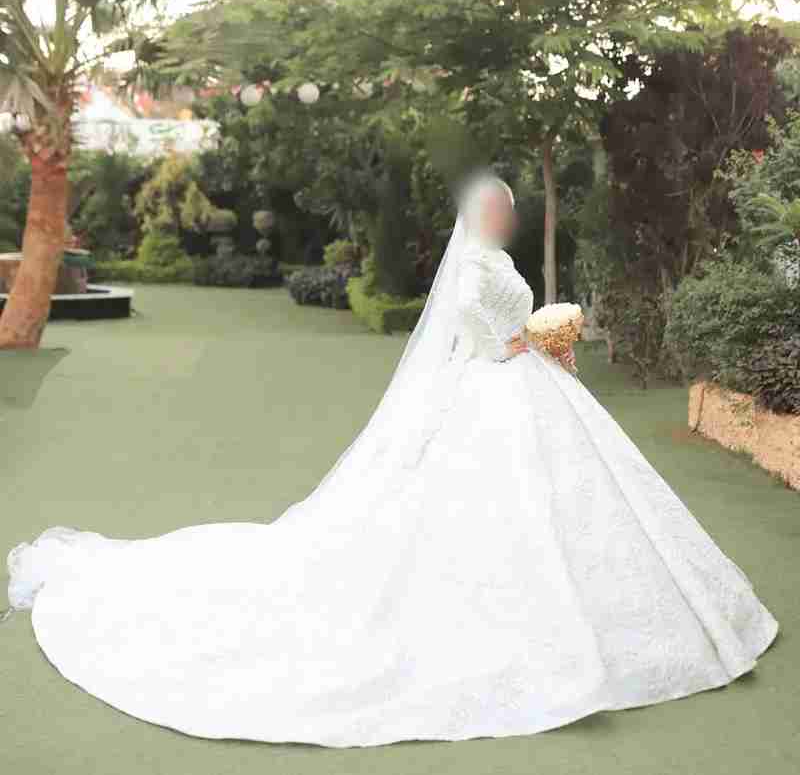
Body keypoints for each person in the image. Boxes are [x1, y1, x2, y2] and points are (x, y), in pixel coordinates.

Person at [5, 173, 778, 748]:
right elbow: (483, 334)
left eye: (506, 208)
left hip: (530, 386)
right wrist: (531, 337)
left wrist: (540, 338)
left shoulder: (491, 261)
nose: (502, 217)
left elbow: (505, 327)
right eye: (495, 208)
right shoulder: (474, 271)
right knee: (496, 511)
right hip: (499, 388)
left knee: (578, 505)